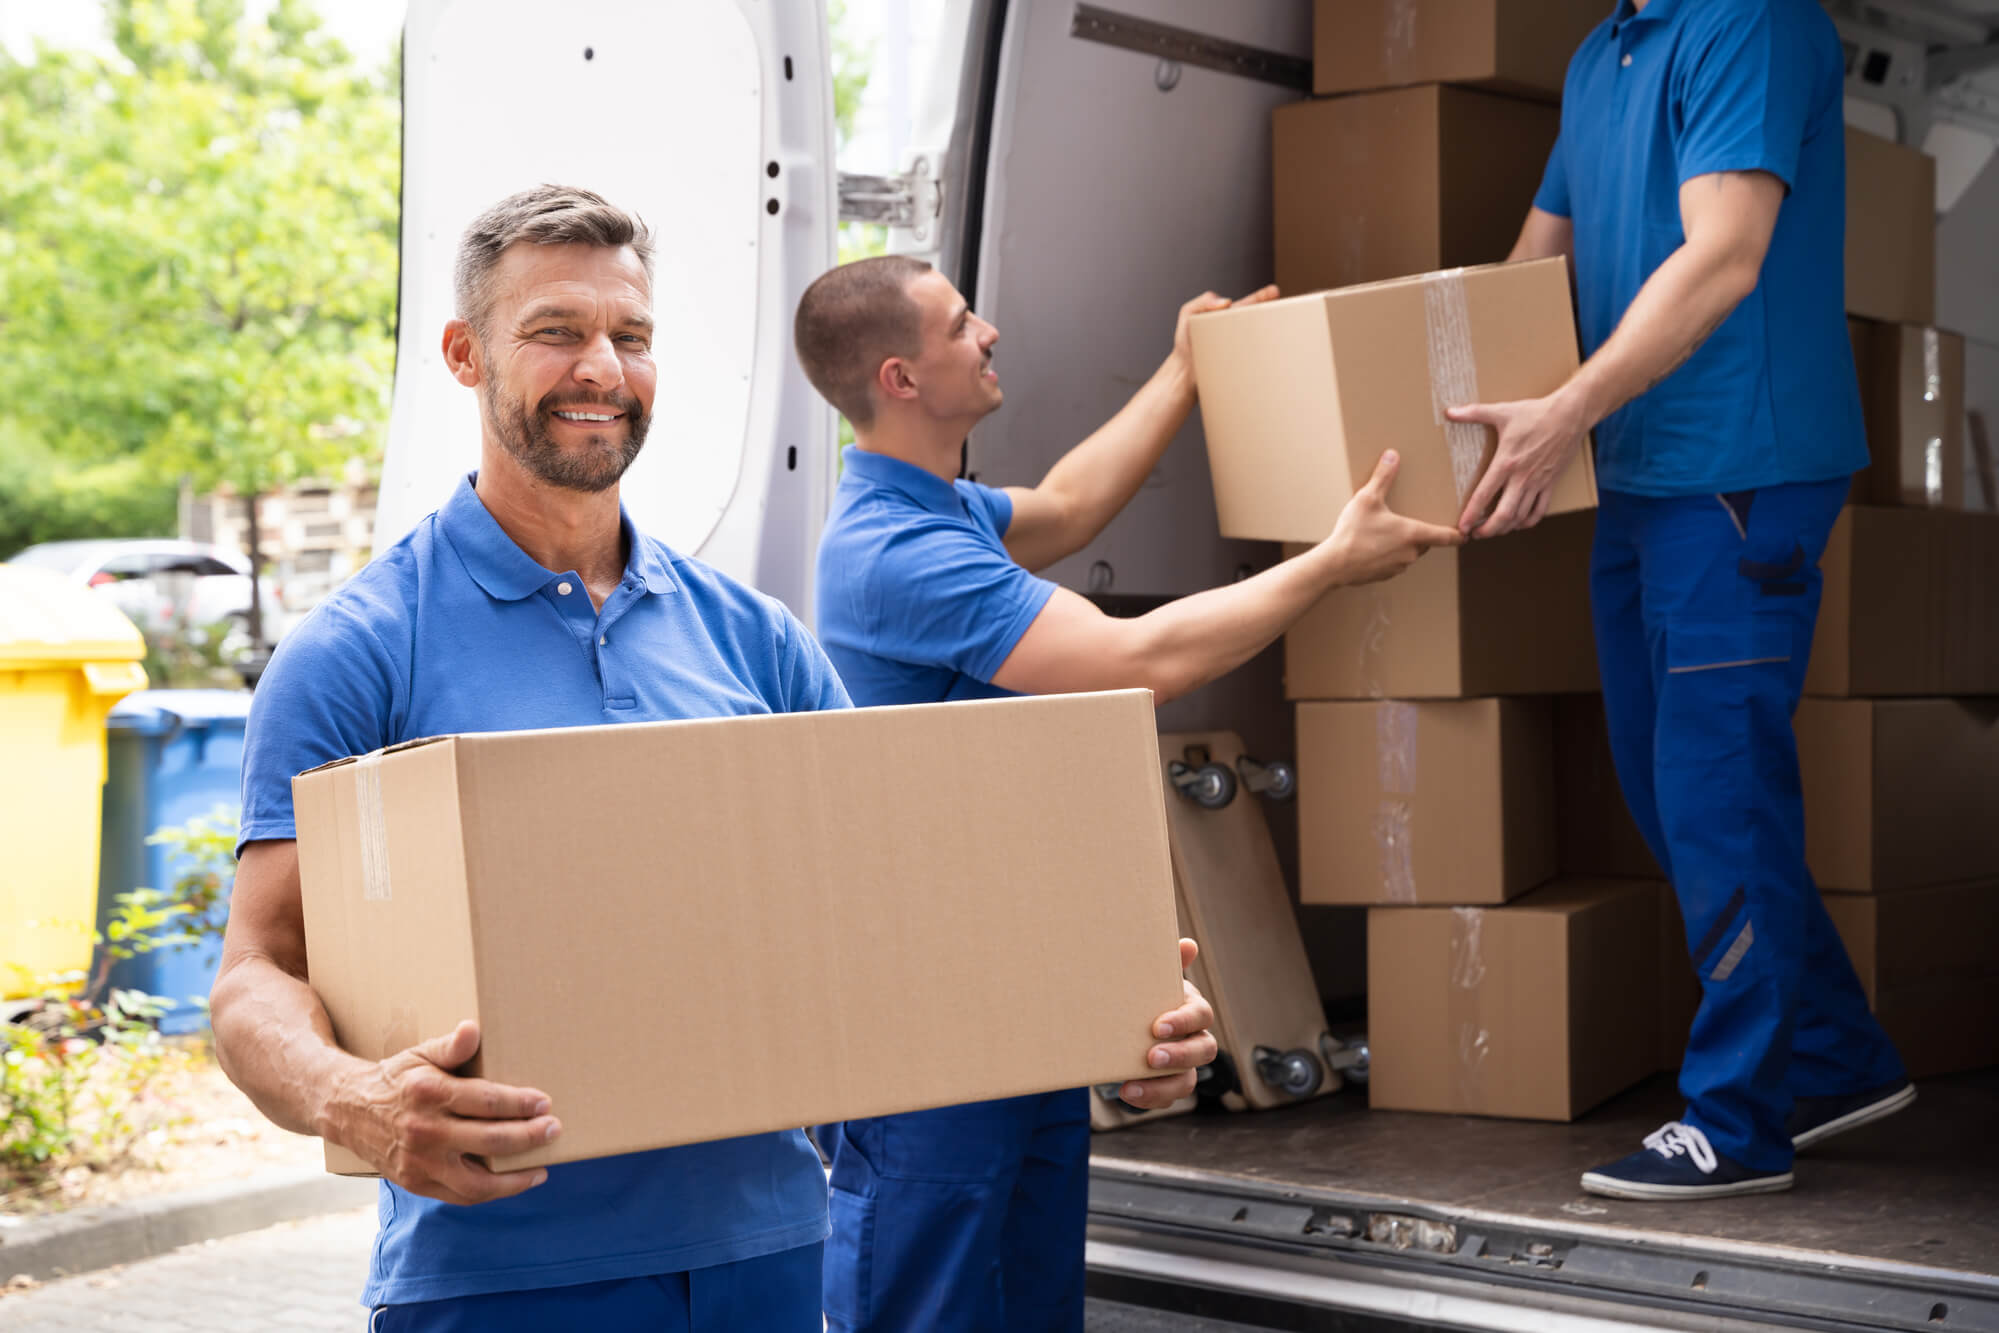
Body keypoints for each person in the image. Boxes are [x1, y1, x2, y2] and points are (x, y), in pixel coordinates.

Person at [208, 185, 1216, 1332]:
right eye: (555, 332)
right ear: (461, 353)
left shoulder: (754, 640)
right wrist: (353, 1098)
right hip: (504, 1280)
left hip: (767, 1257)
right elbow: (253, 974)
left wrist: (1108, 1011)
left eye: (629, 337)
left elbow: (899, 909)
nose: (601, 367)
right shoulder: (360, 651)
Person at [795, 256, 1462, 1330]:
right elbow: (1133, 658)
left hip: (1013, 987)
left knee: (1033, 1295)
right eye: (963, 324)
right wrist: (1328, 563)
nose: (991, 332)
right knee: (929, 1300)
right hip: (929, 1013)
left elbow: (1067, 503)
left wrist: (1182, 369)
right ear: (901, 378)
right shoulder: (896, 554)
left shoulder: (938, 509)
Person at [1445, 0, 1912, 1201]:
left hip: (1738, 467)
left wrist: (1561, 415)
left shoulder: (1745, 23)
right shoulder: (1601, 55)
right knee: (1668, 792)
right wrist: (1430, 414)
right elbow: (1532, 263)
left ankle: (1738, 1120)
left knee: (1714, 794)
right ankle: (1834, 1057)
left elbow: (1724, 254)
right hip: (1639, 468)